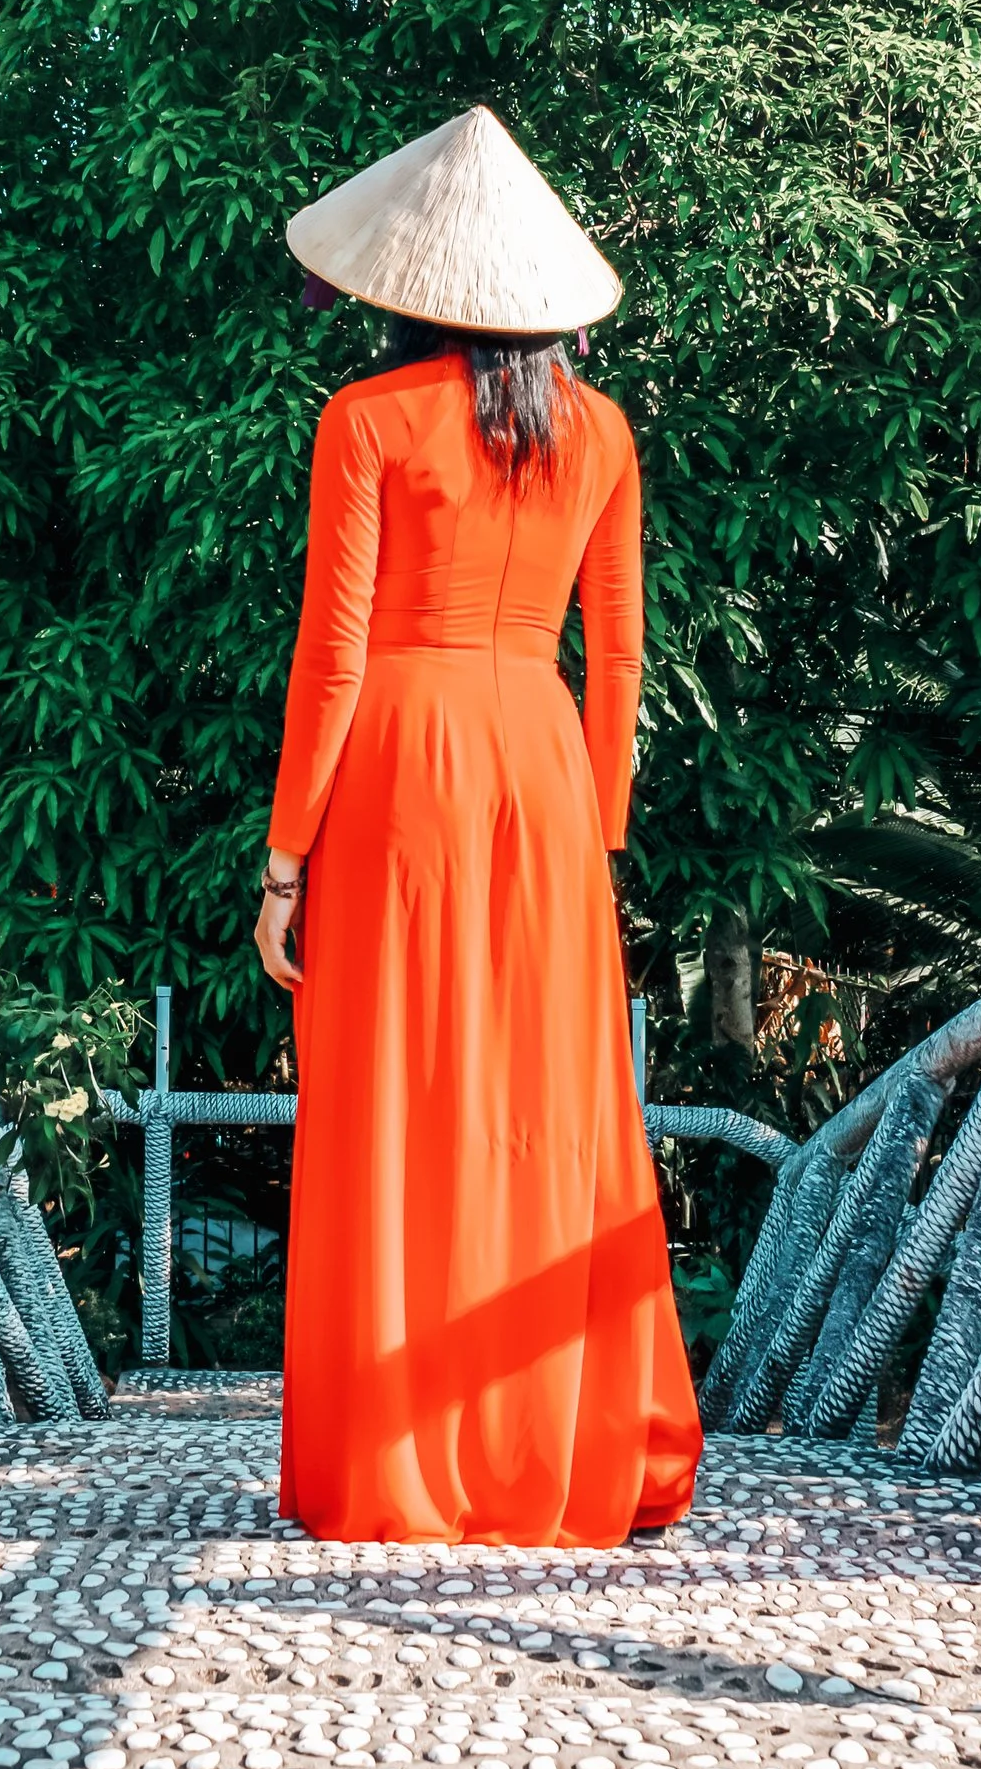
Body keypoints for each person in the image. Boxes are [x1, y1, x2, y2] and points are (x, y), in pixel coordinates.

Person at [254, 103, 701, 1547]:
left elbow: (333, 657)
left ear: (413, 281)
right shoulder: (606, 433)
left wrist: (285, 860)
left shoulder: (367, 421)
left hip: (399, 766)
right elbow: (619, 657)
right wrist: (596, 835)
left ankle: (404, 1459)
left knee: (395, 1095)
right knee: (543, 1109)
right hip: (546, 770)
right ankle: (550, 1448)